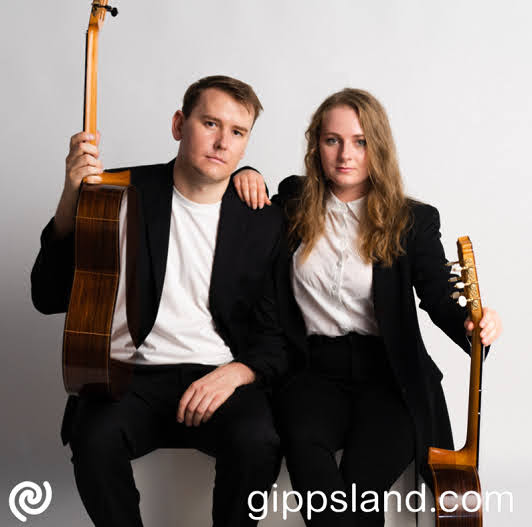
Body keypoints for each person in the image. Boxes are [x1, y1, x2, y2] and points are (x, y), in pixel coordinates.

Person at [31, 75, 292, 527]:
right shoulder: (118, 194)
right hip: (135, 375)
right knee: (92, 439)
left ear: (247, 143)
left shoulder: (263, 220)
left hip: (218, 376)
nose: (221, 142)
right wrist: (71, 199)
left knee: (259, 441)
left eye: (237, 132)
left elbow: (277, 335)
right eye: (210, 123)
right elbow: (48, 296)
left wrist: (235, 373)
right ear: (179, 124)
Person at [233, 88, 502, 526]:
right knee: (312, 474)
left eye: (360, 141)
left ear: (378, 146)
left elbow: (436, 295)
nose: (345, 154)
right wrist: (245, 171)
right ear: (315, 145)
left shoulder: (412, 220)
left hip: (390, 375)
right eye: (332, 140)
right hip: (311, 372)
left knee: (360, 489)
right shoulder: (293, 203)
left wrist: (474, 325)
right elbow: (235, 200)